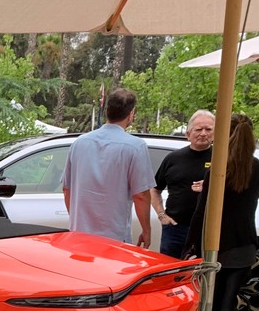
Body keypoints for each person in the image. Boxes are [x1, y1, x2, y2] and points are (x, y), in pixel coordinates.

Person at [184, 114, 259, 311]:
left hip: (217, 247)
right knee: (226, 308)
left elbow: (202, 212)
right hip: (245, 245)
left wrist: (190, 246)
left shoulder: (219, 170)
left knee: (205, 307)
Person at [61, 88, 156, 246]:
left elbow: (66, 189)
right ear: (131, 114)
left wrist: (76, 221)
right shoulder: (135, 147)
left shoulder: (79, 143)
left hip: (80, 237)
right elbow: (141, 195)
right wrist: (146, 230)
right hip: (114, 238)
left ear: (107, 111)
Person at [152, 109, 214, 258]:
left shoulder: (222, 160)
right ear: (188, 134)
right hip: (175, 228)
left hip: (208, 229)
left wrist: (209, 187)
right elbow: (154, 189)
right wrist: (161, 215)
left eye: (208, 129)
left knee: (203, 271)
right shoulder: (173, 159)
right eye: (198, 129)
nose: (203, 133)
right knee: (170, 268)